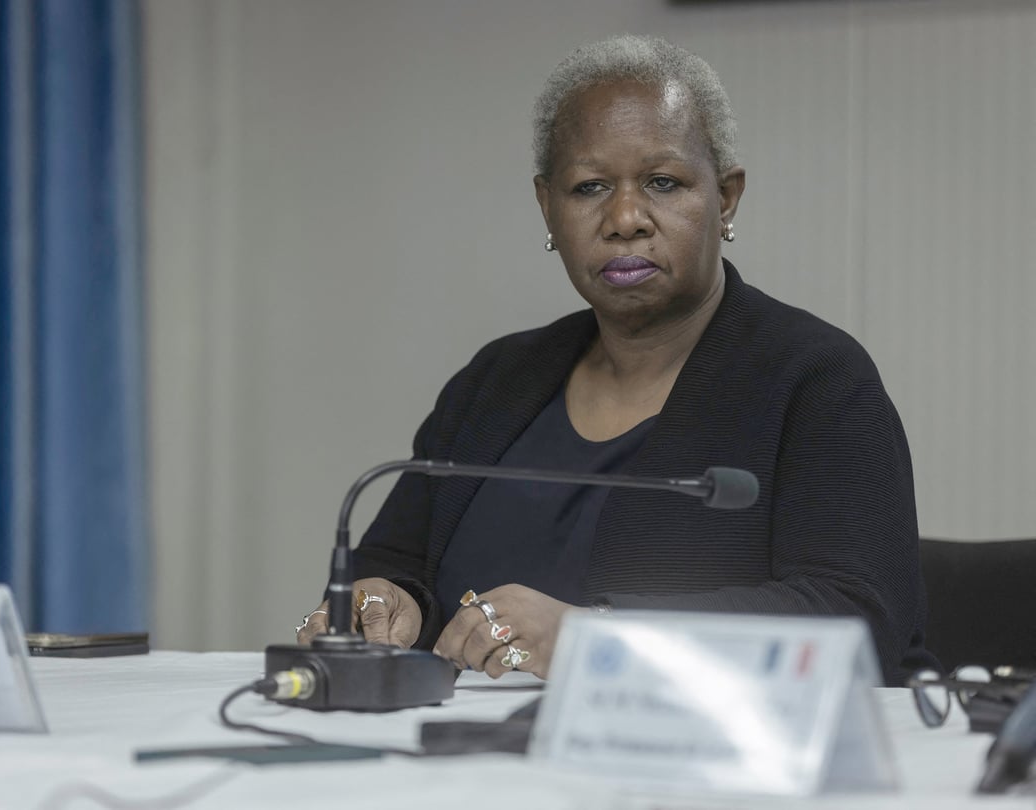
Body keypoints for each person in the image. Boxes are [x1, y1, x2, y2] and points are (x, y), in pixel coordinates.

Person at [295, 34, 935, 687]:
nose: (624, 217)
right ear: (548, 207)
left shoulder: (813, 378)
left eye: (662, 182)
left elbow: (857, 624)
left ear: (725, 197)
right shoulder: (495, 381)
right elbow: (393, 563)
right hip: (476, 761)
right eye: (589, 186)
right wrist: (384, 604)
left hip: (716, 773)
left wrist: (592, 639)